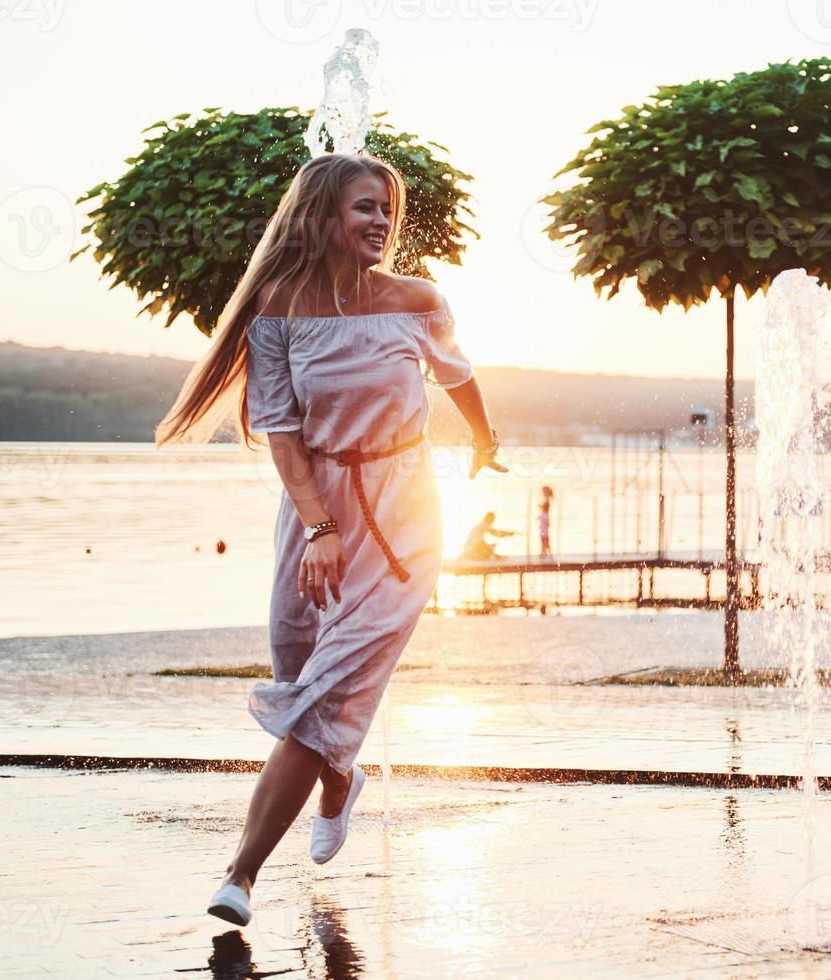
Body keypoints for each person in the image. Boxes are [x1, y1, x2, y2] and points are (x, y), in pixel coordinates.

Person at [155, 152, 506, 927]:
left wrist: (482, 438)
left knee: (322, 697)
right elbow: (281, 432)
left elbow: (458, 374)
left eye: (386, 209)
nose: (380, 222)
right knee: (299, 666)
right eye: (362, 209)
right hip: (314, 506)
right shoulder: (278, 307)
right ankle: (339, 780)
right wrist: (318, 528)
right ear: (321, 216)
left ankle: (238, 876)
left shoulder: (416, 300)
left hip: (403, 512)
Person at [538, 485, 554, 558]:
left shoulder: (547, 499)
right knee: (544, 536)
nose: (542, 492)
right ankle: (545, 552)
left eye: (543, 490)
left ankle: (544, 552)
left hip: (544, 518)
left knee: (544, 536)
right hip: (544, 518)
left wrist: (540, 506)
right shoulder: (546, 499)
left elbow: (545, 509)